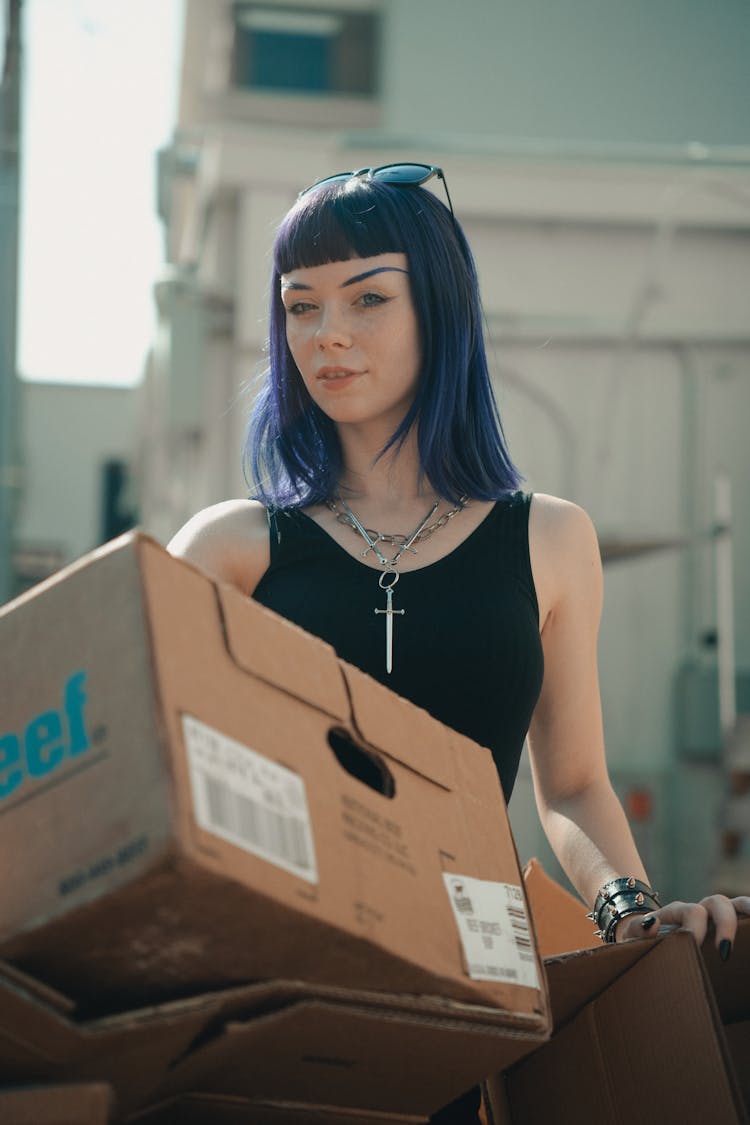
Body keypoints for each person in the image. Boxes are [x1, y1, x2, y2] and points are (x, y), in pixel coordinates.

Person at [167, 163, 748, 1122]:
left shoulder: (551, 538)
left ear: (439, 306)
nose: (328, 334)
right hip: (267, 998)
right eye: (299, 307)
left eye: (368, 298)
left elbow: (571, 786)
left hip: (462, 994)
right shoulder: (231, 547)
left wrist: (631, 914)